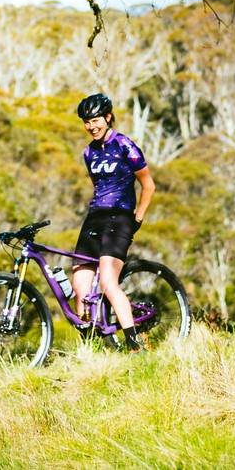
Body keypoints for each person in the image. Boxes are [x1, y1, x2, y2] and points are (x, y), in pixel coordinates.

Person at [69, 93, 155, 347]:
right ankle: (95, 344)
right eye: (86, 122)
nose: (91, 126)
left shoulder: (124, 144)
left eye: (95, 120)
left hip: (120, 216)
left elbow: (148, 185)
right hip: (95, 217)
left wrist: (137, 217)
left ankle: (133, 343)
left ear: (108, 117)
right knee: (79, 285)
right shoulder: (89, 152)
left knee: (107, 280)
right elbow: (99, 187)